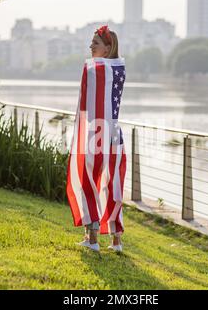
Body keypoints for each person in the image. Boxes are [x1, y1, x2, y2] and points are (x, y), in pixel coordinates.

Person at [66, 25, 127, 253]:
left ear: (108, 48)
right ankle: (116, 241)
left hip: (95, 133)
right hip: (114, 133)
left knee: (88, 179)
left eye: (95, 43)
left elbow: (87, 105)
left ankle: (92, 239)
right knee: (113, 185)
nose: (90, 47)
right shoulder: (120, 69)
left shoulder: (94, 69)